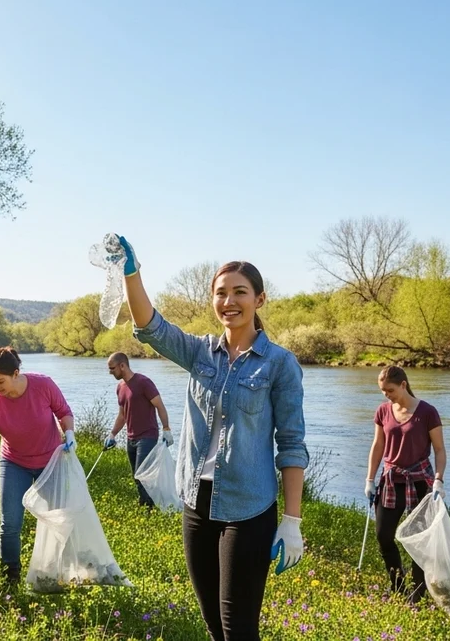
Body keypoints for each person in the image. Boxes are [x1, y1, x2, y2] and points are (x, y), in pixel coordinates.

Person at [115, 236, 308, 641]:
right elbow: (150, 326)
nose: (229, 301)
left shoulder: (280, 364)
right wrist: (131, 273)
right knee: (213, 626)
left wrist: (292, 521)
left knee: (238, 630)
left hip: (248, 508)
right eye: (221, 293)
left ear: (260, 299)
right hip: (195, 504)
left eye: (240, 292)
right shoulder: (200, 352)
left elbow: (291, 445)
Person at [0, 347, 77, 584]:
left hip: (50, 461)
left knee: (56, 518)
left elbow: (63, 412)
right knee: (10, 522)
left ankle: (59, 571)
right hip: (14, 463)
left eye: (0, 381)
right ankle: (10, 577)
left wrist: (70, 433)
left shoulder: (43, 385)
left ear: (15, 373)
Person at [363, 366, 447, 604]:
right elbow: (378, 446)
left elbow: (440, 450)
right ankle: (397, 584)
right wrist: (370, 479)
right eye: (382, 390)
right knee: (383, 536)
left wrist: (439, 480)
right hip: (391, 480)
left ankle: (417, 595)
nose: (385, 395)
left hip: (420, 482)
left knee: (418, 540)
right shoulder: (383, 411)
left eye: (389, 389)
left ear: (403, 384)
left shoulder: (428, 412)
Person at [104, 352, 173, 508]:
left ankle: (149, 508)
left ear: (123, 365)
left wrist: (166, 428)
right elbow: (122, 415)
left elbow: (160, 406)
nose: (110, 372)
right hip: (131, 437)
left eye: (112, 368)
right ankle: (145, 504)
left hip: (147, 435)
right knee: (136, 476)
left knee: (143, 476)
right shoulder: (120, 387)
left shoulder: (143, 383)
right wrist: (112, 434)